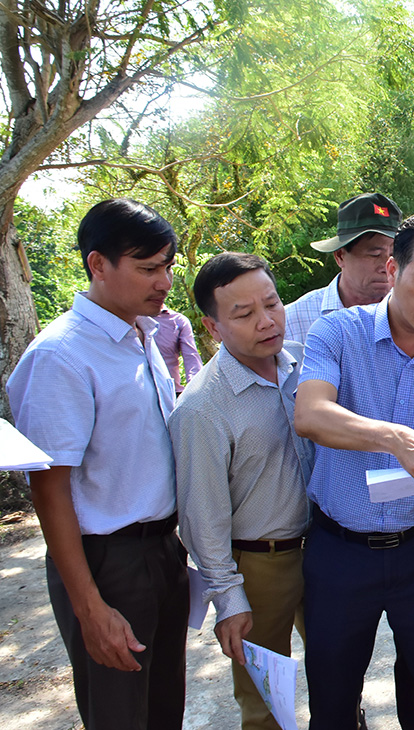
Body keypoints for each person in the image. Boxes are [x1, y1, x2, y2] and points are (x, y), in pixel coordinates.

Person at [294, 212, 414, 730]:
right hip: (341, 552)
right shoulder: (337, 331)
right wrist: (397, 438)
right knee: (333, 697)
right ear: (393, 268)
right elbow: (311, 414)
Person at [6, 198, 189, 730]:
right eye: (148, 268)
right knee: (119, 714)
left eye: (167, 266)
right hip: (108, 565)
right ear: (97, 264)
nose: (164, 282)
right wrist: (90, 607)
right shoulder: (62, 356)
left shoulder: (141, 335)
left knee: (161, 710)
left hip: (160, 551)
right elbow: (49, 487)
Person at [168, 253, 314, 730]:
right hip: (259, 566)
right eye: (244, 314)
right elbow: (200, 515)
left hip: (325, 547)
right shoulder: (202, 408)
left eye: (271, 303)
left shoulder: (305, 366)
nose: (266, 321)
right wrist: (229, 599)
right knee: (265, 702)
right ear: (212, 328)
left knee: (339, 671)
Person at [285, 192, 402, 343]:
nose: (387, 267)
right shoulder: (294, 321)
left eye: (394, 255)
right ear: (340, 256)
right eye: (374, 254)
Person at [154, 305, 203, 394]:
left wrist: (196, 391)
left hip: (171, 393)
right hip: (138, 395)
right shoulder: (133, 319)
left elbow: (191, 358)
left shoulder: (178, 320)